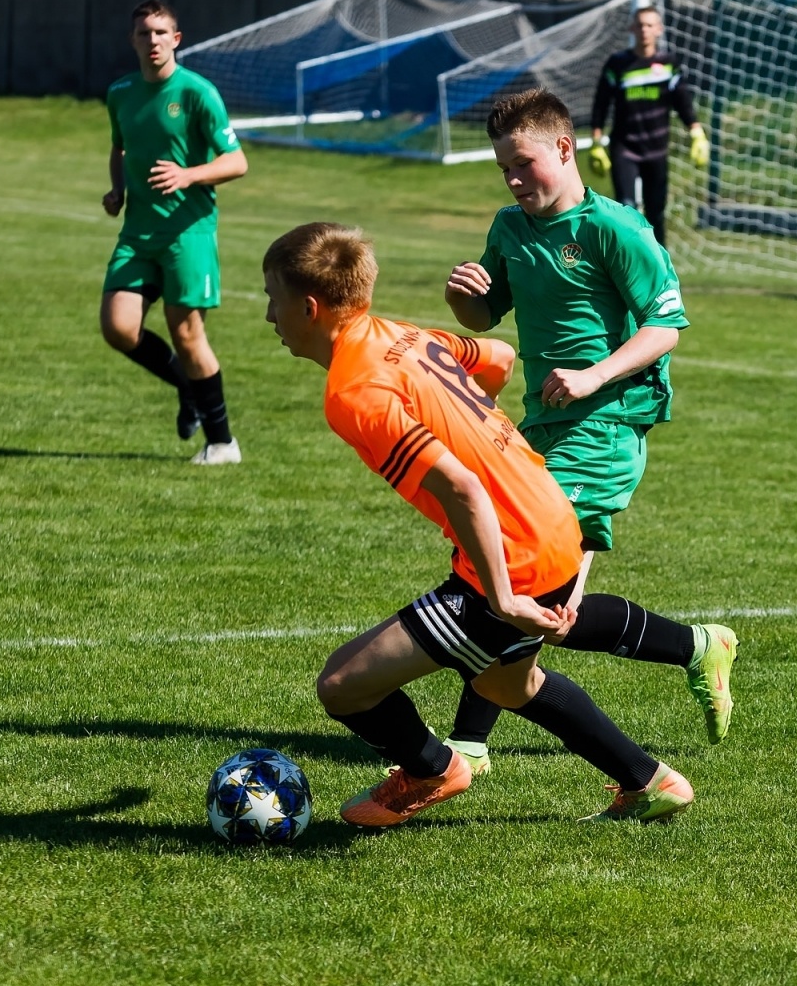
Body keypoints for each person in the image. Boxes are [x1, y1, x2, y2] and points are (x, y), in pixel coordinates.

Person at [263, 221, 736, 826]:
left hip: (516, 556)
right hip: (553, 518)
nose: (269, 316)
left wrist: (504, 597)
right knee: (506, 686)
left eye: (273, 299)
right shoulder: (404, 335)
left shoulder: (355, 391)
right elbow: (499, 358)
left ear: (310, 308)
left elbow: (462, 489)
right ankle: (650, 781)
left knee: (343, 685)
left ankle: (432, 770)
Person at [441, 87, 734, 777]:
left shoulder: (615, 228)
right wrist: (463, 301)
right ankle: (698, 647)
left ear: (565, 148)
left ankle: (468, 744)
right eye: (504, 169)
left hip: (606, 423)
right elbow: (486, 316)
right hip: (540, 425)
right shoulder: (509, 228)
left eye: (524, 164)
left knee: (515, 568)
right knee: (550, 608)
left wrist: (593, 376)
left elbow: (666, 326)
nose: (514, 180)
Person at [100, 0, 248, 465]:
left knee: (186, 335)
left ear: (176, 39)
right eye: (144, 33)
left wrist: (188, 175)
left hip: (188, 232)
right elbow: (120, 148)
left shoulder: (198, 93)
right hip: (138, 234)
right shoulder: (120, 92)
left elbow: (237, 161)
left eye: (161, 32)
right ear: (133, 40)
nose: (153, 41)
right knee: (118, 328)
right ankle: (189, 388)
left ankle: (222, 443)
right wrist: (117, 190)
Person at [588, 5, 707, 245]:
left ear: (659, 29)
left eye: (650, 25)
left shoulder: (668, 64)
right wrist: (596, 143)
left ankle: (659, 264)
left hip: (656, 150)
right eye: (640, 25)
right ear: (632, 29)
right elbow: (601, 104)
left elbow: (683, 102)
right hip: (625, 148)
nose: (644, 30)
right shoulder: (617, 64)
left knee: (656, 213)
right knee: (626, 210)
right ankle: (627, 262)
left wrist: (697, 132)